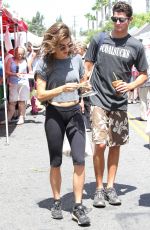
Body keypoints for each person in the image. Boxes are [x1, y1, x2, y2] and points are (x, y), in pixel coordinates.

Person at [84, 1, 148, 208]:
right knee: (100, 144)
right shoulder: (99, 39)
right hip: (98, 98)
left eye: (121, 19)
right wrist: (84, 84)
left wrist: (130, 86)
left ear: (129, 20)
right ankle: (99, 188)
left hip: (119, 102)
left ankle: (110, 187)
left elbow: (144, 74)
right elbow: (88, 64)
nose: (117, 23)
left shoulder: (135, 46)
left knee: (115, 145)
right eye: (114, 19)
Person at [34, 22, 90, 226]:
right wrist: (62, 88)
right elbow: (40, 94)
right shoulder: (44, 63)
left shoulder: (76, 59)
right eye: (62, 47)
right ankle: (57, 201)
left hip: (75, 112)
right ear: (53, 45)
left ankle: (78, 206)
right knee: (56, 161)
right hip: (54, 113)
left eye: (69, 44)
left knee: (79, 160)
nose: (67, 50)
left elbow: (83, 81)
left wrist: (85, 88)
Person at [0, 46, 31, 125]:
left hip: (24, 83)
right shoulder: (11, 60)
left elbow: (30, 72)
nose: (19, 55)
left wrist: (26, 74)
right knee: (12, 101)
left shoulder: (26, 60)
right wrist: (15, 74)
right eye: (17, 54)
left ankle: (21, 117)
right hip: (13, 83)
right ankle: (8, 118)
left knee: (22, 101)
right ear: (15, 53)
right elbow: (7, 71)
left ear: (23, 53)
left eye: (21, 54)